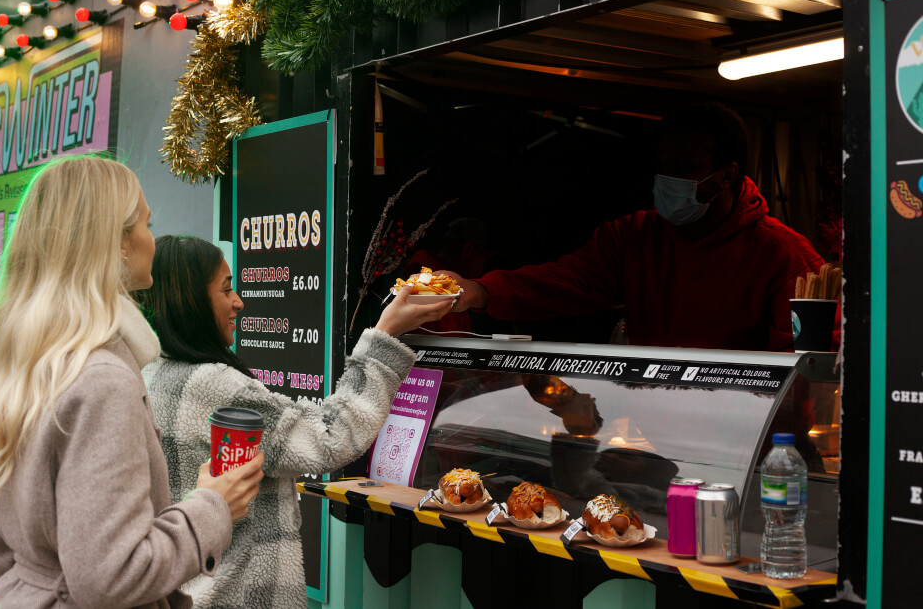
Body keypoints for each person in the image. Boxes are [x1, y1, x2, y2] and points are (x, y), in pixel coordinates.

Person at [0, 158, 265, 609]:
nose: (153, 239)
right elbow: (111, 576)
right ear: (117, 244)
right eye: (147, 224)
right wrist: (212, 506)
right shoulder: (104, 379)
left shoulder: (32, 361)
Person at [137, 235, 453, 608]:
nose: (239, 301)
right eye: (226, 290)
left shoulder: (150, 373)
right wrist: (384, 336)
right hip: (239, 596)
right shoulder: (216, 386)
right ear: (190, 302)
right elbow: (332, 437)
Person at [441, 103, 833, 351]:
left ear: (727, 174)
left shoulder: (786, 256)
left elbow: (805, 365)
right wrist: (479, 290)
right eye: (663, 167)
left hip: (749, 435)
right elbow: (567, 281)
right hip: (657, 425)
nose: (667, 180)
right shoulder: (635, 237)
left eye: (683, 169)